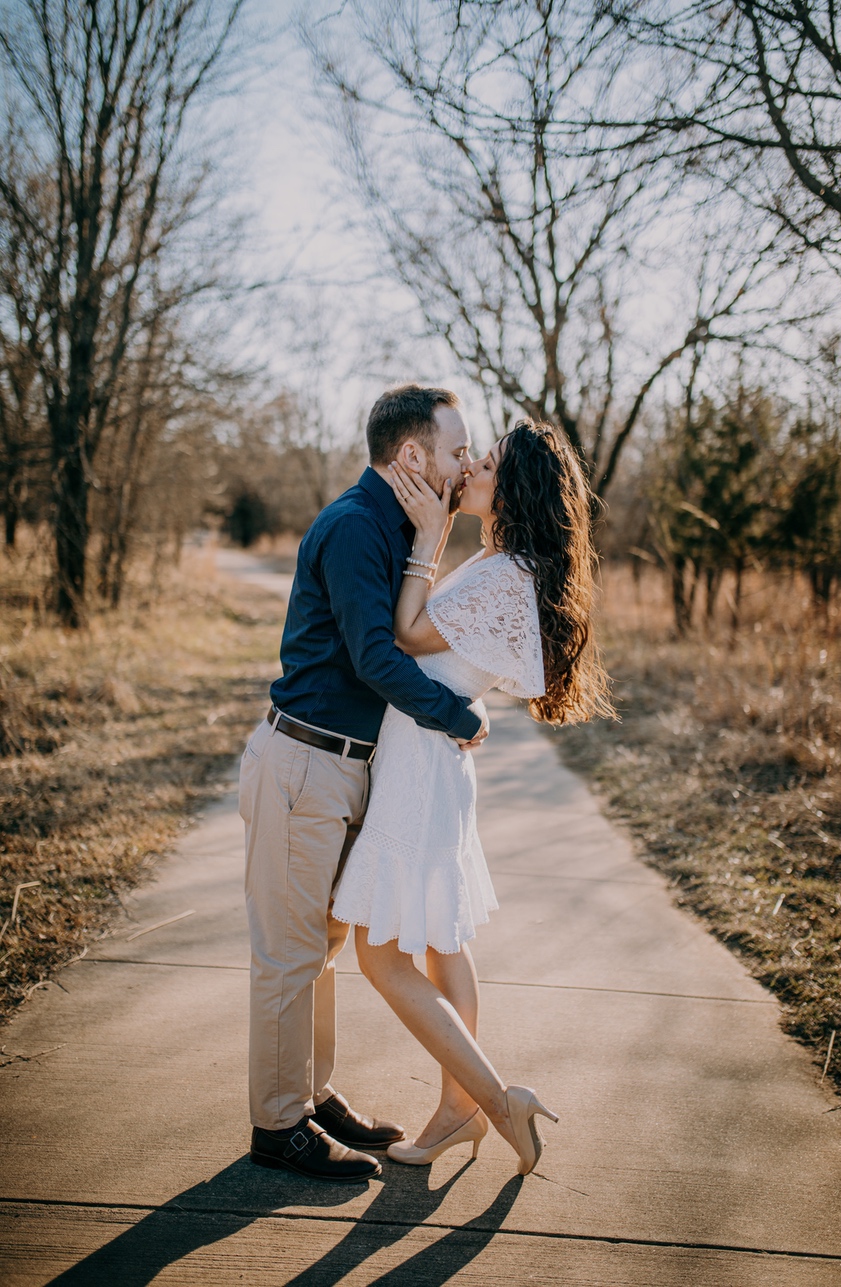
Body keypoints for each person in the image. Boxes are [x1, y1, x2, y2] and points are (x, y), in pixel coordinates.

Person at [332, 419, 613, 1175]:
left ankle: (488, 1099)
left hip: (421, 771)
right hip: (431, 764)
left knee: (380, 956)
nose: (471, 470)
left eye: (484, 464)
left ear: (510, 486)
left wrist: (430, 531)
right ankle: (460, 1110)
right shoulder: (507, 565)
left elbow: (407, 632)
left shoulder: (502, 573)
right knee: (443, 944)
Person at [238, 384, 490, 1183]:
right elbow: (377, 656)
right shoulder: (353, 526)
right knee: (288, 952)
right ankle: (278, 1125)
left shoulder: (400, 525)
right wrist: (457, 715)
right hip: (304, 763)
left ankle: (311, 1096)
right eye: (455, 451)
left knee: (324, 946)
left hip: (347, 769)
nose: (463, 466)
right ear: (410, 455)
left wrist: (434, 533)